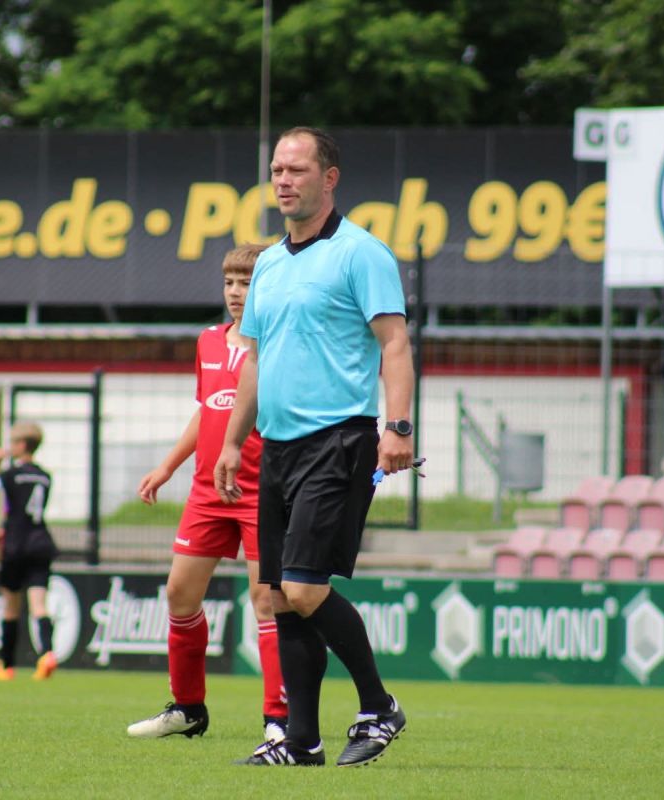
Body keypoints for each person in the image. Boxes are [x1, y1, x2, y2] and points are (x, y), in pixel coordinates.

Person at [215, 126, 414, 768]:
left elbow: (394, 343)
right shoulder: (270, 263)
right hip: (276, 448)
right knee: (279, 598)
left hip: (338, 441)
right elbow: (255, 360)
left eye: (296, 169)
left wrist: (398, 426)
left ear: (329, 179)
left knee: (303, 591)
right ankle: (300, 741)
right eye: (277, 169)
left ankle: (379, 706)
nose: (283, 180)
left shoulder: (361, 253)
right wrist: (232, 442)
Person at [127, 243, 288, 743]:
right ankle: (188, 708)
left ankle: (279, 720)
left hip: (261, 490)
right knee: (179, 593)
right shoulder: (209, 340)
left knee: (267, 602)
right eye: (229, 283)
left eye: (247, 283)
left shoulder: (281, 342)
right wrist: (167, 466)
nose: (236, 293)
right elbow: (208, 409)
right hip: (206, 491)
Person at [0, 421, 60, 681]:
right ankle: (47, 654)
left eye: (12, 443)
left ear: (21, 445)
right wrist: (5, 529)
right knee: (39, 605)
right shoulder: (45, 476)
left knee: (11, 606)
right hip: (40, 543)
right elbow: (29, 512)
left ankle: (6, 665)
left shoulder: (9, 475)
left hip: (16, 546)